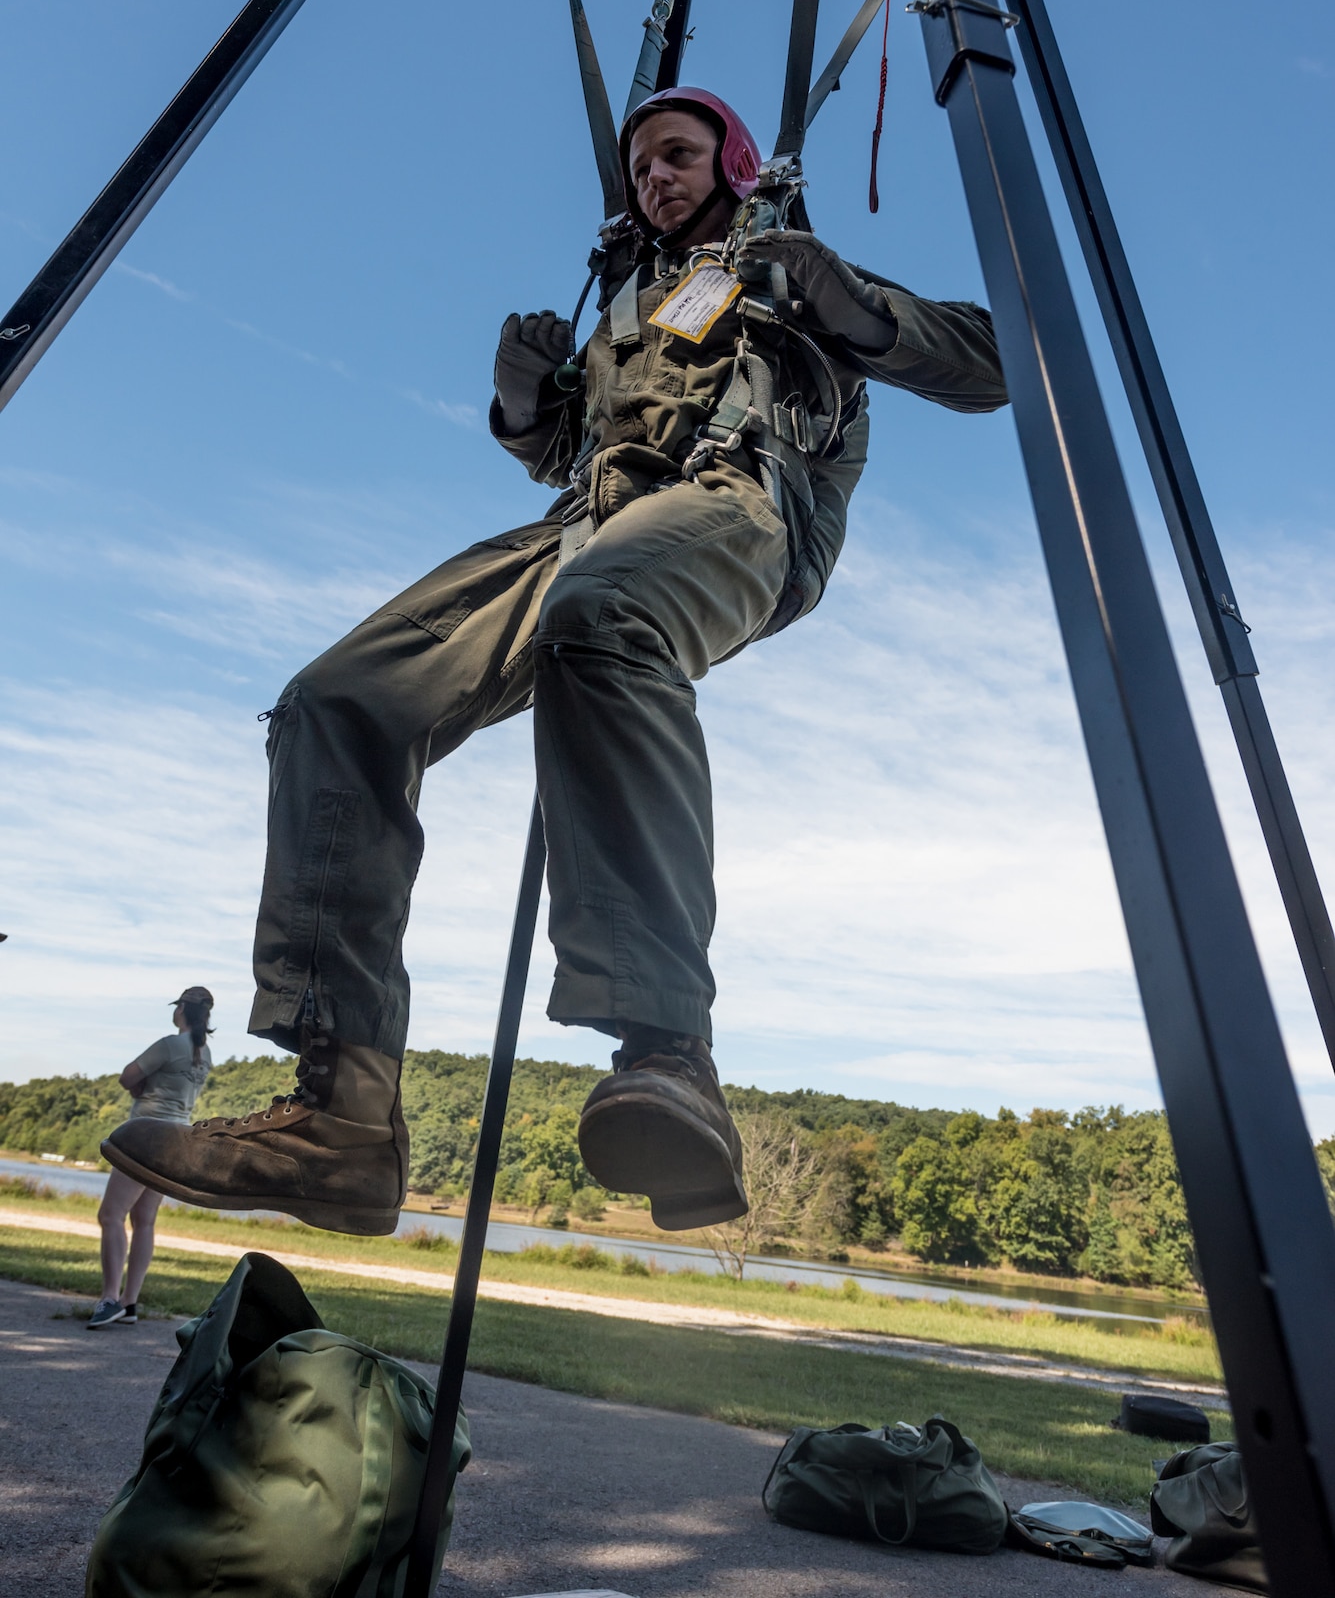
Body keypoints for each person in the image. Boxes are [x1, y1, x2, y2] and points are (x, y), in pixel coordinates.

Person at [103, 89, 1007, 1238]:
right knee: (337, 700)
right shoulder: (627, 312)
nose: (656, 179)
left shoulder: (786, 276)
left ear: (731, 161)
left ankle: (669, 1048)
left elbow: (987, 363)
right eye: (641, 166)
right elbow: (565, 456)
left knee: (603, 613)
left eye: (677, 156)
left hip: (739, 509)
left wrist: (847, 296)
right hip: (585, 528)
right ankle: (344, 1112)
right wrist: (526, 400)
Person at [88, 987, 214, 1327]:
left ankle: (110, 1298)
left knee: (111, 1215)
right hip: (178, 1139)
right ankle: (130, 1303)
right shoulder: (205, 1054)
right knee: (143, 1219)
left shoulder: (170, 1044)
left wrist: (138, 1088)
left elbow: (127, 1076)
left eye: (177, 1008)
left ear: (183, 1010)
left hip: (147, 1136)